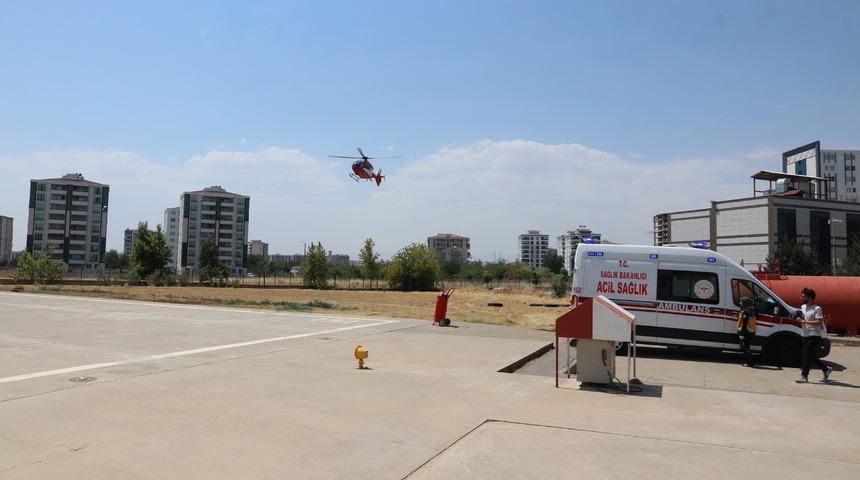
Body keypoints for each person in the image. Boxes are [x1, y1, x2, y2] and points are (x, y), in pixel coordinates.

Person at [795, 288, 833, 383]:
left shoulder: (817, 308)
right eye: (801, 296)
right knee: (809, 355)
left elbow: (819, 322)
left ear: (810, 298)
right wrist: (798, 317)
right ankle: (826, 369)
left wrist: (804, 321)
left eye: (803, 297)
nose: (801, 298)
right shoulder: (803, 307)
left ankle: (804, 376)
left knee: (807, 355)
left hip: (814, 335)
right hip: (805, 334)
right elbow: (803, 318)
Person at [736, 297, 756, 367]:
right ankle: (748, 362)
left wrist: (742, 334)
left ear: (745, 303)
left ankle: (749, 362)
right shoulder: (751, 311)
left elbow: (744, 324)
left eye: (741, 302)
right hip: (750, 331)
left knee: (745, 348)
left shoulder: (746, 312)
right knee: (747, 347)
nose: (740, 303)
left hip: (746, 332)